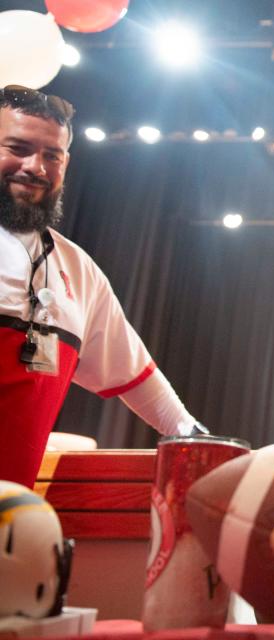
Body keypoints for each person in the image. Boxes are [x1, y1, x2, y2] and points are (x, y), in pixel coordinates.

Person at [0, 85, 203, 488]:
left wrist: (203, 444)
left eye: (51, 155)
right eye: (18, 148)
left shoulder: (78, 270)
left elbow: (139, 378)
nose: (36, 167)